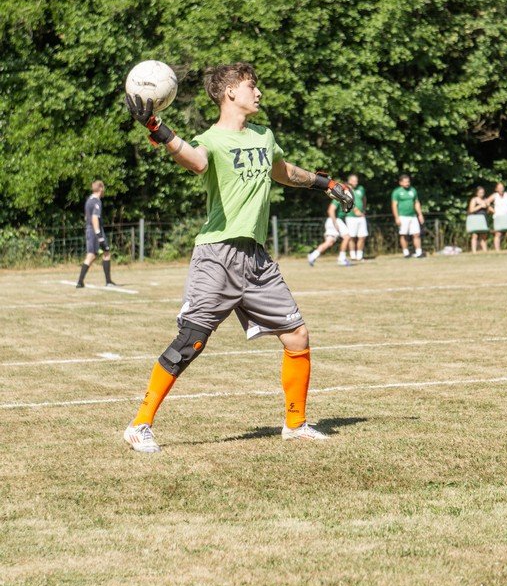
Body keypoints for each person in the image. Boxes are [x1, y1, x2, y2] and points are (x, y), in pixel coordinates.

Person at [123, 62, 354, 452]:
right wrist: (156, 128)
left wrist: (324, 183)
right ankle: (139, 425)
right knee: (191, 341)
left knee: (297, 336)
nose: (258, 92)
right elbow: (195, 160)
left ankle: (295, 424)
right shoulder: (210, 139)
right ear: (230, 92)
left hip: (257, 258)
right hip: (218, 255)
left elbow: (282, 171)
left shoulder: (264, 136)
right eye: (251, 86)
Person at [76, 180, 115, 288]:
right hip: (95, 230)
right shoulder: (97, 202)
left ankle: (82, 282)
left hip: (90, 230)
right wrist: (99, 235)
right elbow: (94, 218)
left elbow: (86, 217)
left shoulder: (89, 200)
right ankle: (81, 281)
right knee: (93, 255)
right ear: (101, 188)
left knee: (104, 252)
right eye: (104, 188)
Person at [307, 197, 352, 267]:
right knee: (347, 237)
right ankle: (341, 259)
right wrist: (335, 223)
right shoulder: (339, 198)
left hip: (333, 220)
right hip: (335, 220)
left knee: (329, 242)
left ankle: (313, 255)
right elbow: (330, 210)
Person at [391, 174, 425, 258]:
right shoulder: (397, 192)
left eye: (408, 182)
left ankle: (419, 252)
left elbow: (416, 202)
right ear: (400, 183)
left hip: (413, 216)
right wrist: (396, 217)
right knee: (404, 234)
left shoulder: (413, 190)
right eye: (405, 182)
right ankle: (406, 253)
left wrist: (420, 214)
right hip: (402, 216)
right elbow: (394, 205)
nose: (407, 183)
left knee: (416, 234)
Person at [345, 173, 368, 262]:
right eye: (354, 181)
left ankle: (359, 255)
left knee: (362, 236)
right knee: (352, 236)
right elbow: (346, 200)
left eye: (357, 181)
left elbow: (364, 199)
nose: (356, 182)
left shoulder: (361, 188)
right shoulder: (346, 189)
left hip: (361, 216)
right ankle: (353, 256)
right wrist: (355, 210)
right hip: (351, 217)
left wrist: (364, 209)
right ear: (349, 181)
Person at [487, 182, 507, 251]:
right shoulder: (494, 196)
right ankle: (497, 250)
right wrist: (492, 210)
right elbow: (487, 202)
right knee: (498, 233)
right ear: (496, 189)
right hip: (498, 217)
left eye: (502, 187)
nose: (501, 189)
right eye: (500, 188)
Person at [466, 186, 489, 253]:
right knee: (475, 235)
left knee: (484, 236)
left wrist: (487, 206)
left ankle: (485, 251)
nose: (482, 194)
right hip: (475, 219)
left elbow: (487, 211)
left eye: (483, 192)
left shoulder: (485, 200)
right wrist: (480, 206)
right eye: (480, 192)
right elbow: (471, 210)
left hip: (483, 219)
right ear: (477, 193)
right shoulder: (474, 200)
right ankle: (474, 251)